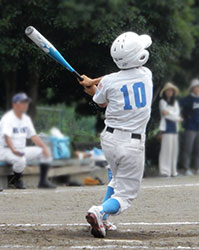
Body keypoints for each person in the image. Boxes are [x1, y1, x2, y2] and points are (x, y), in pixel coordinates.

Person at [79, 31, 153, 238]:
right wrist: (94, 82)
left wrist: (92, 84)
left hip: (110, 140)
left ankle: (103, 219)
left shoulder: (110, 82)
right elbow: (116, 80)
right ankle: (100, 211)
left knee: (115, 179)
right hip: (132, 143)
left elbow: (101, 100)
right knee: (126, 194)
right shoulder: (147, 74)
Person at [0, 93, 56, 189]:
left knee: (45, 151)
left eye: (26, 103)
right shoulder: (7, 118)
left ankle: (43, 182)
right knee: (20, 159)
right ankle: (17, 180)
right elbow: (6, 137)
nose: (25, 105)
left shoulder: (26, 119)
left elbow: (33, 136)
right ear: (15, 104)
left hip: (20, 149)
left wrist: (44, 148)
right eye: (22, 102)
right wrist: (13, 150)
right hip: (6, 150)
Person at [158, 82, 182, 177]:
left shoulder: (175, 102)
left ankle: (173, 171)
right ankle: (164, 171)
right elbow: (165, 114)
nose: (169, 92)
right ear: (165, 92)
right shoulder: (162, 102)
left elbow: (174, 114)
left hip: (174, 129)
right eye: (168, 90)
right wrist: (175, 116)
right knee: (166, 150)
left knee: (174, 150)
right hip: (166, 129)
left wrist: (170, 113)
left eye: (171, 90)